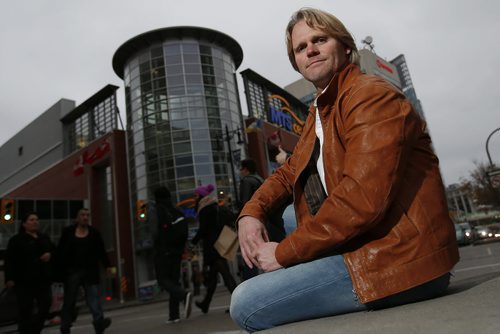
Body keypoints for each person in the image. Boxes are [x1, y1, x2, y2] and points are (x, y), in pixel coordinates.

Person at [230, 8, 459, 332]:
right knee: (284, 215)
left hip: (399, 260)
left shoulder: (370, 96)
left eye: (319, 39)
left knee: (246, 304)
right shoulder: (322, 111)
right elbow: (287, 173)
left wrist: (282, 254)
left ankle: (286, 289)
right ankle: (295, 285)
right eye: (300, 47)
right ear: (297, 62)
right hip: (367, 240)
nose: (310, 49)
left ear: (345, 46)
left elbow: (361, 200)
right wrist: (250, 213)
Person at [55, 208, 112, 334]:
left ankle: (99, 323)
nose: (85, 217)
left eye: (87, 215)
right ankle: (65, 326)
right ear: (77, 218)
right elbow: (60, 252)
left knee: (94, 298)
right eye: (82, 215)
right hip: (72, 271)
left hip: (89, 271)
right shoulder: (68, 232)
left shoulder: (94, 233)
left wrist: (107, 266)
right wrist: (59, 270)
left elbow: (101, 250)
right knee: (70, 300)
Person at [4, 212, 55, 334]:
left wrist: (50, 255)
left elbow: (55, 251)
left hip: (42, 279)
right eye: (31, 220)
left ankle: (34, 330)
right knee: (25, 309)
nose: (35, 222)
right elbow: (9, 260)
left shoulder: (44, 237)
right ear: (24, 224)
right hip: (24, 280)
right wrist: (9, 278)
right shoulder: (16, 240)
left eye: (36, 219)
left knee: (45, 305)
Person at [191, 184, 237, 314]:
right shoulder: (216, 206)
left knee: (225, 274)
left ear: (201, 195)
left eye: (195, 195)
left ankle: (239, 302)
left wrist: (193, 241)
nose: (194, 198)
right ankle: (205, 303)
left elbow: (204, 229)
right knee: (213, 276)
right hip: (221, 242)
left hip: (214, 246)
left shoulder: (206, 208)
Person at [238, 159, 286, 280]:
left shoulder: (246, 181)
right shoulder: (260, 179)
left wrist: (244, 217)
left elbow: (245, 203)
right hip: (269, 221)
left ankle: (254, 284)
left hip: (254, 222)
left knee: (252, 256)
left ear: (246, 169)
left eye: (241, 169)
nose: (240, 172)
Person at [152, 186, 192, 324]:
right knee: (174, 281)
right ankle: (174, 315)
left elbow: (156, 232)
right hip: (176, 252)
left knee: (162, 279)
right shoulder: (176, 211)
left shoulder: (158, 210)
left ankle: (183, 294)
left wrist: (157, 246)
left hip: (164, 251)